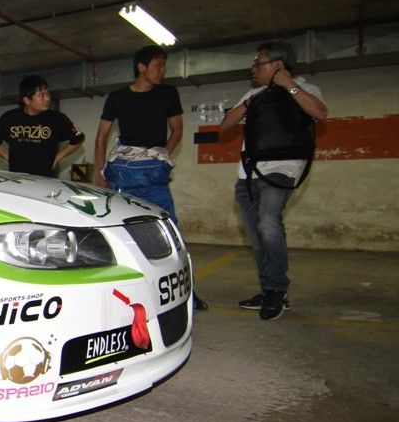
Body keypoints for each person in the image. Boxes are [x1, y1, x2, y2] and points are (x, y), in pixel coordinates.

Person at [94, 45, 207, 311]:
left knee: (170, 230)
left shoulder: (168, 94)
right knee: (122, 231)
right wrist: (100, 173)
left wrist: (160, 157)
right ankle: (131, 289)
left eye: (163, 66)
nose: (163, 71)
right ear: (141, 68)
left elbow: (177, 130)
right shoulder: (118, 97)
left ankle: (186, 291)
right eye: (158, 66)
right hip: (123, 175)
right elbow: (102, 135)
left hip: (153, 177)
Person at [221, 41, 327, 320]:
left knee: (268, 223)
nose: (254, 69)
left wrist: (288, 85)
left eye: (259, 63)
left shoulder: (305, 88)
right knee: (258, 238)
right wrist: (249, 102)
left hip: (283, 169)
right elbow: (226, 124)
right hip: (248, 175)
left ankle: (277, 290)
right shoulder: (254, 94)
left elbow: (320, 113)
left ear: (278, 65)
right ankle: (271, 289)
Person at [0, 75, 85, 177]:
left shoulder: (57, 118)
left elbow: (79, 137)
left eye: (48, 94)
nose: (47, 99)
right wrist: (7, 157)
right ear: (27, 100)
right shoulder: (10, 118)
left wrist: (58, 158)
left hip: (45, 180)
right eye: (41, 95)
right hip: (17, 179)